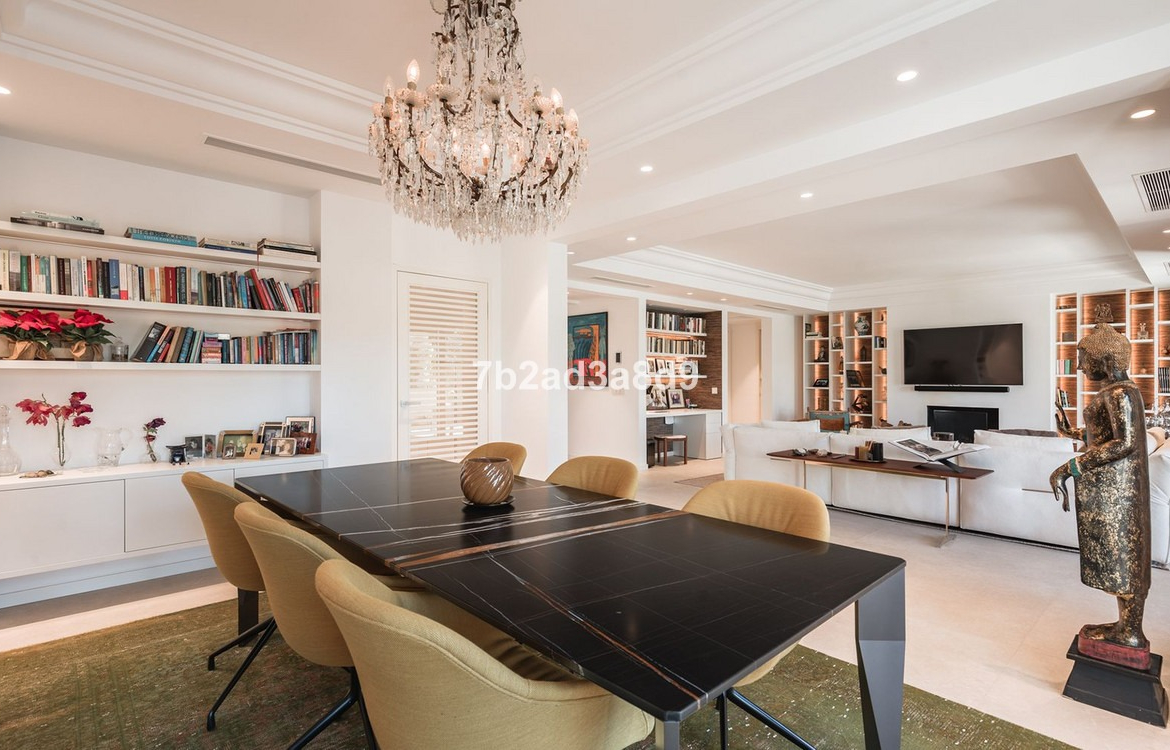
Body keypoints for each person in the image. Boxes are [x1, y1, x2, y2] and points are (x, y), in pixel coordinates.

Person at [1050, 304, 1151, 659]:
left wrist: (1072, 465)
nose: (1080, 367)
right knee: (1120, 558)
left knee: (1125, 557)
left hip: (1119, 493)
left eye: (1084, 360)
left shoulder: (1121, 393)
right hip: (1113, 489)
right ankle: (1126, 628)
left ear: (1105, 361)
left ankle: (1131, 632)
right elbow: (1108, 436)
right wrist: (1073, 432)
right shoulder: (1117, 391)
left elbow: (1124, 443)